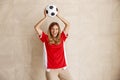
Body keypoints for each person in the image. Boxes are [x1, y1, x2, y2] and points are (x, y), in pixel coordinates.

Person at [34, 9, 72, 80]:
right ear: (50, 30)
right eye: (52, 29)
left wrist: (58, 15)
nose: (54, 31)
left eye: (56, 29)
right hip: (51, 70)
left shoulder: (62, 37)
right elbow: (36, 27)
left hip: (63, 68)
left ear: (58, 30)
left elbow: (68, 24)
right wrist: (45, 17)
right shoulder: (45, 38)